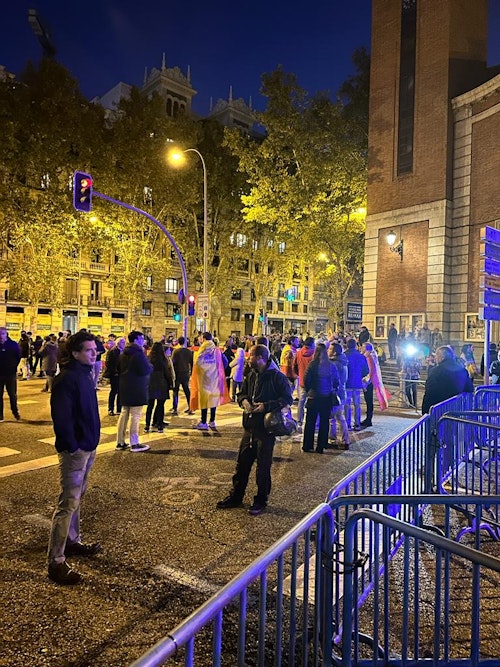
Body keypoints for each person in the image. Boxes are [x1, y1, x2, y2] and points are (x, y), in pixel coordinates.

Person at [47, 331, 102, 585]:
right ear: (76, 353)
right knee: (68, 502)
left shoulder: (84, 374)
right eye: (89, 350)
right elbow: (62, 419)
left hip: (87, 446)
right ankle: (56, 561)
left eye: (95, 349)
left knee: (78, 498)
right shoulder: (66, 379)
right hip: (76, 450)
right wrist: (73, 445)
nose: (95, 353)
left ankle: (72, 540)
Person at [216, 344, 293, 515]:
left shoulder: (277, 377)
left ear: (260, 358)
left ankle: (261, 500)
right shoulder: (251, 375)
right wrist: (243, 401)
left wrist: (266, 406)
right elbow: (242, 393)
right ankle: (236, 496)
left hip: (266, 430)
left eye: (251, 356)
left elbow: (287, 398)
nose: (248, 359)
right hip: (249, 427)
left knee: (263, 468)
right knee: (242, 465)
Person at [116, 331, 152, 452]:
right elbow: (145, 369)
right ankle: (134, 443)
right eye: (141, 338)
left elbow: (118, 369)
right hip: (136, 387)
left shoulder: (123, 353)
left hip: (124, 386)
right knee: (135, 415)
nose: (143, 340)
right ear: (136, 340)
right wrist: (150, 366)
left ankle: (120, 442)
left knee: (124, 413)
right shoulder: (138, 354)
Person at [302, 343, 339, 453]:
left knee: (310, 422)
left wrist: (309, 390)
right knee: (324, 422)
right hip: (326, 397)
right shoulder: (331, 365)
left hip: (314, 397)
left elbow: (306, 379)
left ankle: (308, 445)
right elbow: (337, 381)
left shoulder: (312, 364)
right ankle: (321, 446)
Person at [190, 331, 229, 430]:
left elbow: (196, 363)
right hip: (214, 379)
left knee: (204, 400)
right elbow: (225, 362)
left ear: (203, 338)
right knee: (213, 400)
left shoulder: (201, 350)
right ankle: (212, 421)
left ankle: (203, 422)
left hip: (204, 379)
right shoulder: (217, 350)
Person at [421, 345, 474, 414]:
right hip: (457, 410)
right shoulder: (462, 370)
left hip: (439, 409)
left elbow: (430, 392)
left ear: (441, 357)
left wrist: (425, 411)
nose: (435, 358)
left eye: (436, 356)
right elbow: (469, 389)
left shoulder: (435, 371)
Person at [144, 341, 174, 433]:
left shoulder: (148, 359)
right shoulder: (163, 360)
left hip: (150, 384)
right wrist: (171, 383)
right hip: (162, 384)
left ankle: (147, 425)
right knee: (160, 406)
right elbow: (167, 373)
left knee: (150, 406)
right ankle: (160, 426)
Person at [361, 342, 391, 427]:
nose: (361, 348)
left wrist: (366, 381)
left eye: (363, 347)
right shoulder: (372, 355)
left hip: (368, 382)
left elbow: (371, 371)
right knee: (369, 401)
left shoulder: (369, 357)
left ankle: (368, 419)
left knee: (368, 401)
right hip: (370, 380)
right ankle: (368, 418)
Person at [328, 343, 350, 450]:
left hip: (335, 393)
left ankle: (332, 439)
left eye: (330, 349)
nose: (328, 350)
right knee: (340, 417)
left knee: (332, 417)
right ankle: (345, 439)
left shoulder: (334, 364)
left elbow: (332, 380)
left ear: (335, 352)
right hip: (342, 392)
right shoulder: (344, 362)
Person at [344, 339, 369, 431]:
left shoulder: (344, 355)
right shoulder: (361, 357)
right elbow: (366, 370)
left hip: (347, 383)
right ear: (356, 346)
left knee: (347, 405)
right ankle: (357, 424)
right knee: (357, 404)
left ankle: (347, 424)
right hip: (357, 383)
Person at [293, 336, 316, 431]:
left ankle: (299, 421)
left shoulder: (298, 353)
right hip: (312, 383)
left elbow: (294, 366)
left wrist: (299, 374)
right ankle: (313, 423)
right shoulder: (314, 354)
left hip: (302, 381)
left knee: (301, 402)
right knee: (313, 403)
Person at [0, 327, 21, 422]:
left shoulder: (13, 344)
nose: (1, 336)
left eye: (2, 334)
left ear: (6, 334)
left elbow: (18, 356)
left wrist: (13, 366)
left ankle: (15, 412)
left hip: (10, 374)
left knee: (12, 394)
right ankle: (0, 415)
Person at [171, 336, 194, 416]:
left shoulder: (176, 351)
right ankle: (190, 407)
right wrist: (191, 373)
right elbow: (192, 363)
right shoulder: (189, 352)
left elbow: (172, 363)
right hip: (185, 373)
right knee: (187, 391)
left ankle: (175, 409)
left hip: (177, 373)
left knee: (175, 391)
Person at [104, 337, 125, 415]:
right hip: (115, 374)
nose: (124, 344)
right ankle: (111, 408)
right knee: (114, 391)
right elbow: (108, 363)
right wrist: (114, 371)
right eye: (122, 342)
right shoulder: (113, 351)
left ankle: (119, 408)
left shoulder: (124, 351)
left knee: (120, 392)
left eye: (124, 342)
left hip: (122, 374)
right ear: (118, 343)